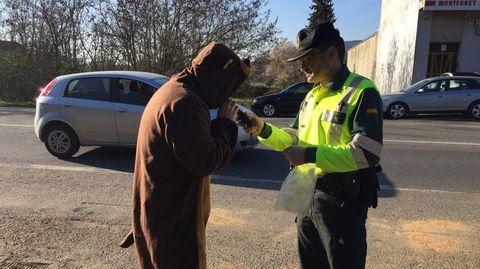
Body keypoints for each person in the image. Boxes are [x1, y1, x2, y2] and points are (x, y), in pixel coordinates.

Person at [241, 21, 383, 269]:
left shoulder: (361, 91)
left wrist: (308, 155)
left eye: (308, 57)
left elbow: (367, 153)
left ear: (331, 54)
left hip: (342, 204)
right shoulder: (312, 96)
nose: (301, 66)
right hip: (308, 198)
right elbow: (294, 138)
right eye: (299, 60)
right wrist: (262, 129)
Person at [120, 41, 251, 269]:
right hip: (173, 223)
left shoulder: (174, 90)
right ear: (217, 77)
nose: (227, 94)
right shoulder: (184, 103)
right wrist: (224, 123)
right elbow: (206, 161)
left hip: (160, 214)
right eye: (228, 86)